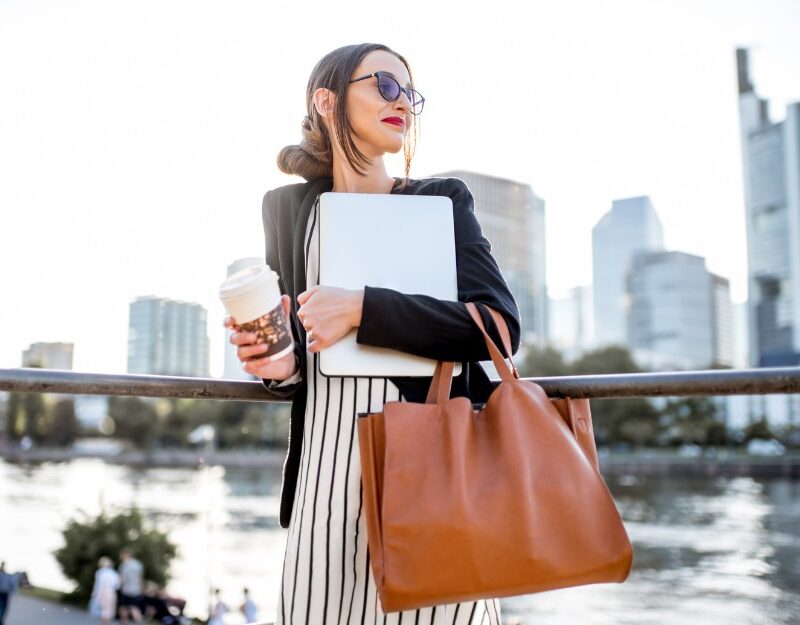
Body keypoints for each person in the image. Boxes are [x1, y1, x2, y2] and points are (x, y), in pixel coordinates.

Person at [225, 43, 520, 625]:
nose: (402, 102)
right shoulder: (286, 210)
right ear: (327, 100)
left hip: (437, 474)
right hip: (324, 480)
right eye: (386, 86)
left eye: (409, 92)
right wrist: (278, 366)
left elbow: (499, 327)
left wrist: (363, 307)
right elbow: (299, 360)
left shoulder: (442, 200)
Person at [89, 557, 120, 625]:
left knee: (103, 611)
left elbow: (98, 585)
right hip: (112, 592)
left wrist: (94, 594)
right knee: (108, 611)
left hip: (102, 592)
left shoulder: (100, 572)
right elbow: (117, 586)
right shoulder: (114, 573)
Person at [118, 548, 144, 624]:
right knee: (134, 608)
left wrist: (120, 587)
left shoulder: (124, 565)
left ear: (125, 555)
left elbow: (122, 579)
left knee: (123, 609)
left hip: (126, 590)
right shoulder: (138, 564)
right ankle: (139, 622)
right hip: (136, 590)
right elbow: (140, 578)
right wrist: (141, 589)